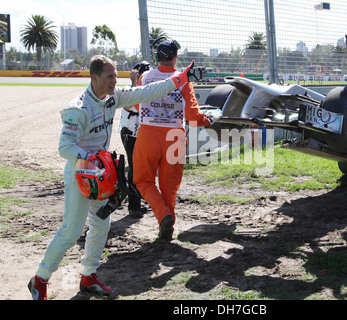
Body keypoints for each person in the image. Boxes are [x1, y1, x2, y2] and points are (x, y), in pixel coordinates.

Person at [28, 54, 202, 300]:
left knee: (101, 225)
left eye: (115, 75)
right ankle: (40, 280)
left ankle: (89, 276)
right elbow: (65, 148)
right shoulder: (77, 108)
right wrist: (93, 159)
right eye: (110, 76)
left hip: (102, 175)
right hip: (80, 173)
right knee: (72, 229)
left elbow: (147, 92)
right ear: (94, 77)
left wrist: (180, 78)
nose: (114, 80)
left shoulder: (113, 97)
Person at [133, 39, 216, 240]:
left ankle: (163, 217)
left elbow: (136, 106)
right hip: (175, 137)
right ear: (175, 58)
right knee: (169, 186)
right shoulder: (183, 79)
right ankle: (166, 225)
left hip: (148, 135)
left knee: (143, 180)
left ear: (156, 57)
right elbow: (193, 116)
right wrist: (209, 121)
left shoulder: (145, 77)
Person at [118, 61, 150, 218]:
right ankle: (133, 206)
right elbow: (128, 104)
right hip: (130, 134)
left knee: (142, 168)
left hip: (143, 135)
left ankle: (138, 198)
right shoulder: (129, 90)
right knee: (134, 169)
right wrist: (133, 83)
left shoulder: (148, 89)